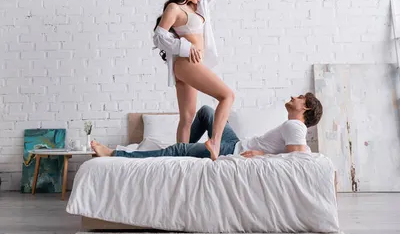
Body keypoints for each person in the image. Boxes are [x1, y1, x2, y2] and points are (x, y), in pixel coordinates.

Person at [152, 0, 234, 160]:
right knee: (227, 95)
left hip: (188, 65)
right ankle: (215, 142)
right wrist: (185, 47)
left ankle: (182, 158)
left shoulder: (196, 7)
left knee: (187, 118)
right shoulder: (175, 8)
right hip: (186, 63)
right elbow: (159, 36)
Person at [91, 93, 323, 159]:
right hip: (235, 142)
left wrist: (261, 154)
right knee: (206, 112)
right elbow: (298, 152)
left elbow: (296, 159)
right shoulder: (293, 126)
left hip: (230, 150)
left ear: (306, 109)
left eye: (300, 97)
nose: (295, 97)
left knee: (178, 150)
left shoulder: (296, 127)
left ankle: (114, 153)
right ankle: (180, 153)